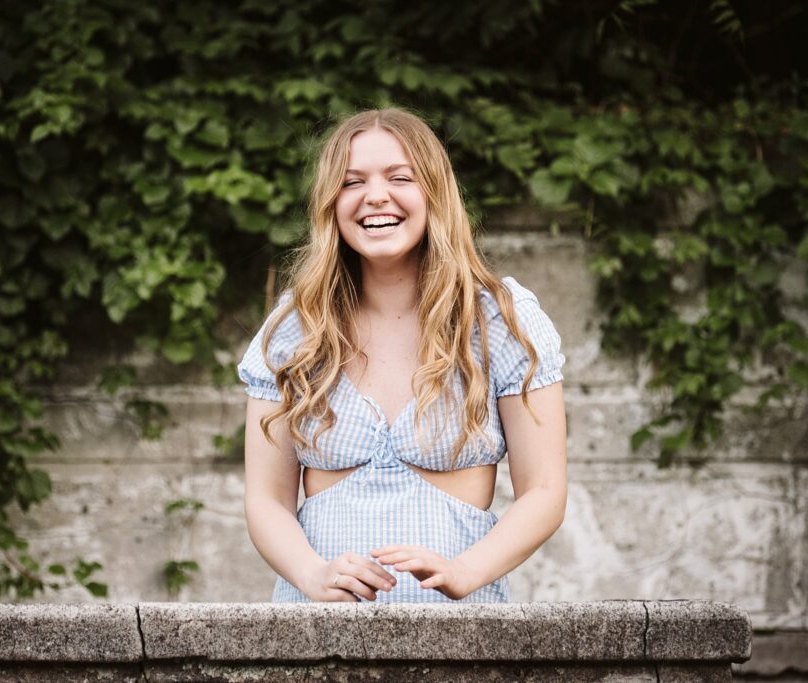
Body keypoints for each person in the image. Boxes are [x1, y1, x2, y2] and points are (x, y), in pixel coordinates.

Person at [238, 108, 567, 603]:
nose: (375, 195)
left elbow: (544, 492)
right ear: (331, 203)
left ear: (434, 191)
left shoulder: (499, 319)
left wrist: (467, 571)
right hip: (317, 640)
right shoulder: (295, 328)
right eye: (352, 182)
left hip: (459, 640)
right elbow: (266, 500)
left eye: (400, 177)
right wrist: (311, 575)